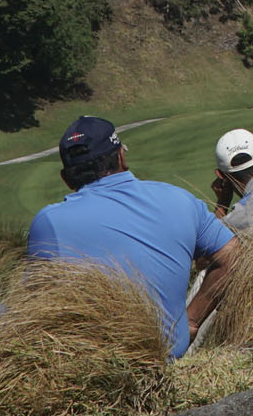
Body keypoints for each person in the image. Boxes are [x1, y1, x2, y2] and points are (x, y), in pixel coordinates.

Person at [27, 116, 237, 358]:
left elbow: (39, 307)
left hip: (96, 365)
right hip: (167, 357)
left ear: (66, 178)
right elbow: (232, 254)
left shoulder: (48, 222)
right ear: (121, 157)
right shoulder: (179, 199)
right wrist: (191, 321)